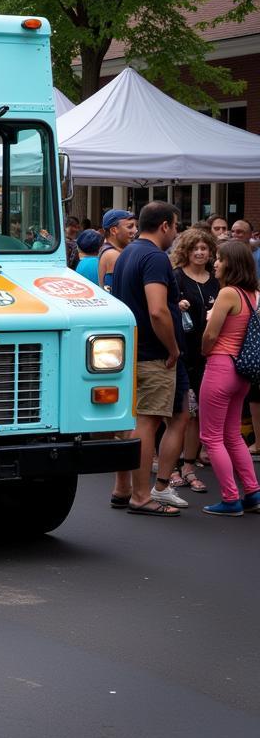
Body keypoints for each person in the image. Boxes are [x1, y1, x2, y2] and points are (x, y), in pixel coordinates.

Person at [111, 201, 188, 516]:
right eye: (176, 226)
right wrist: (172, 347)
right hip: (153, 354)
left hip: (133, 351)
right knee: (147, 421)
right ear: (166, 225)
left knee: (132, 422)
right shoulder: (155, 257)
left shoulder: (128, 252)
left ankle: (123, 488)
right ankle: (141, 496)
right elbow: (157, 309)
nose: (177, 233)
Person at [198, 240, 260, 516]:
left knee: (210, 437)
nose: (215, 263)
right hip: (243, 372)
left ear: (231, 264)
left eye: (220, 259)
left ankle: (230, 497)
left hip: (221, 366)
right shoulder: (254, 294)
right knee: (232, 435)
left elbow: (212, 334)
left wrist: (204, 351)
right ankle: (253, 491)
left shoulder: (228, 294)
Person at [170, 228, 219, 492]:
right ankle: (173, 466)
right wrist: (177, 306)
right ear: (186, 252)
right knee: (180, 413)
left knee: (199, 412)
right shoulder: (176, 277)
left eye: (204, 248)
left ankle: (189, 465)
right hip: (181, 352)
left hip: (208, 354)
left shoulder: (216, 280)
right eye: (195, 249)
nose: (200, 253)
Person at [97, 209, 136, 292]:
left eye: (136, 226)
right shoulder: (113, 255)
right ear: (113, 230)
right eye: (130, 227)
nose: (135, 230)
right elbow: (116, 292)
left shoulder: (109, 250)